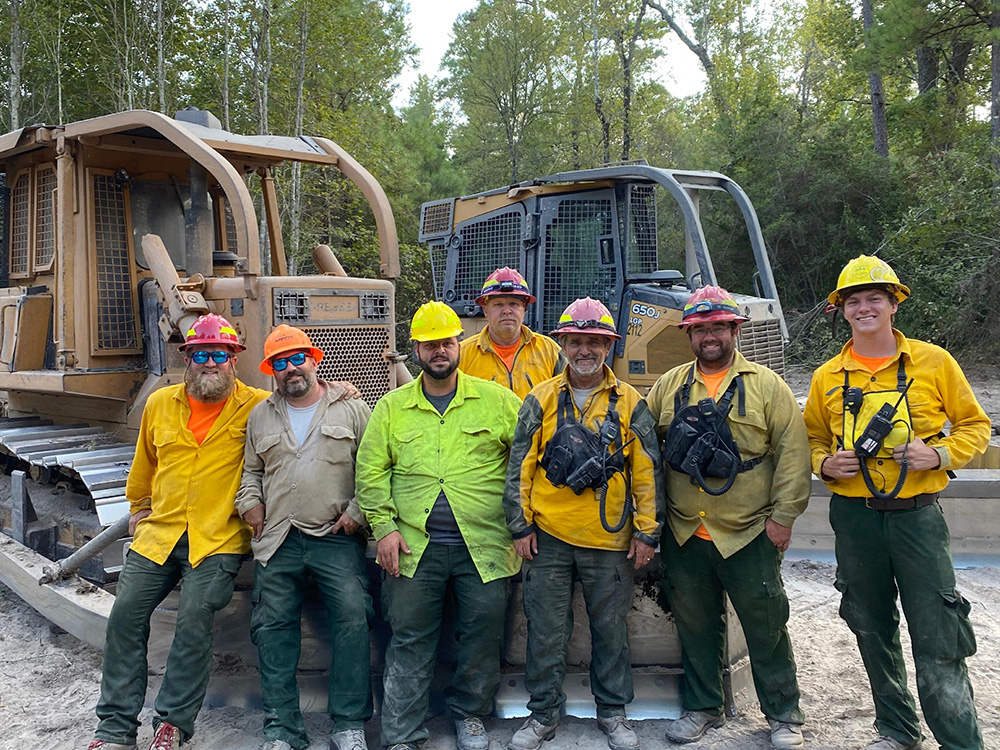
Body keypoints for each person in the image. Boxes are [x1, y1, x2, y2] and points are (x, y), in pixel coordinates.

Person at [803, 255, 991, 750]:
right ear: (841, 310)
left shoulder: (934, 362)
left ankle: (960, 742)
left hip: (917, 518)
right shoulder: (827, 376)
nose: (864, 308)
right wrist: (825, 463)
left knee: (939, 631)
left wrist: (939, 454)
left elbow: (975, 425)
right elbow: (812, 438)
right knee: (870, 625)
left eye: (874, 298)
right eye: (854, 301)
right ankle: (898, 730)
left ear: (893, 305)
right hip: (854, 519)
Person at [88, 314, 270, 750]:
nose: (211, 363)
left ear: (234, 360)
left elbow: (308, 400)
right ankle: (115, 729)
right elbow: (144, 466)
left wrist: (342, 391)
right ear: (187, 359)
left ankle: (172, 723)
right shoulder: (159, 403)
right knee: (124, 616)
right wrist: (139, 508)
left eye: (220, 355)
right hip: (160, 534)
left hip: (217, 539)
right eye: (201, 354)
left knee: (194, 620)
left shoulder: (259, 406)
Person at [645, 286, 810, 749]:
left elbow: (794, 456)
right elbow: (643, 446)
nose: (710, 336)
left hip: (749, 529)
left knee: (766, 623)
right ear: (688, 335)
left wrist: (783, 518)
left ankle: (783, 714)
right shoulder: (669, 386)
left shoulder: (767, 386)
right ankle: (703, 708)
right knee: (695, 625)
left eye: (718, 326)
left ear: (735, 330)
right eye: (700, 329)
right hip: (685, 530)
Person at [356, 301, 522, 750]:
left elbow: (528, 460)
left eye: (446, 342)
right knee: (409, 636)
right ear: (415, 350)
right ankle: (402, 733)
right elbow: (370, 472)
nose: (439, 351)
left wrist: (522, 523)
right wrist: (384, 528)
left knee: (482, 632)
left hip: (485, 542)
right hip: (413, 546)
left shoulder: (497, 402)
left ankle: (470, 714)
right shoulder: (392, 408)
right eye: (430, 345)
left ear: (459, 345)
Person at [503, 296, 664, 750]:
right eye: (576, 341)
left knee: (611, 630)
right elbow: (520, 466)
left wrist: (647, 531)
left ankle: (613, 712)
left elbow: (648, 471)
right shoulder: (540, 399)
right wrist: (520, 525)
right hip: (548, 539)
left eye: (594, 341)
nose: (585, 350)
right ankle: (542, 714)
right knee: (545, 630)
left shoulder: (630, 402)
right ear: (564, 345)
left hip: (609, 539)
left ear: (608, 346)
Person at [236, 325, 374, 750]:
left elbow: (374, 467)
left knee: (353, 615)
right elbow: (251, 472)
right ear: (271, 371)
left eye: (297, 358)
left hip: (336, 535)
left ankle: (348, 724)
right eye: (280, 363)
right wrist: (250, 503)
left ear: (314, 360)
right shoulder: (260, 415)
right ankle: (282, 730)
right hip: (279, 537)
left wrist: (356, 513)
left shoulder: (352, 409)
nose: (290, 368)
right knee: (272, 626)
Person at [459, 267, 565, 398]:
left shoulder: (549, 351)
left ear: (524, 309)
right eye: (498, 304)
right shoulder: (462, 355)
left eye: (514, 304)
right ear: (485, 310)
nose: (507, 311)